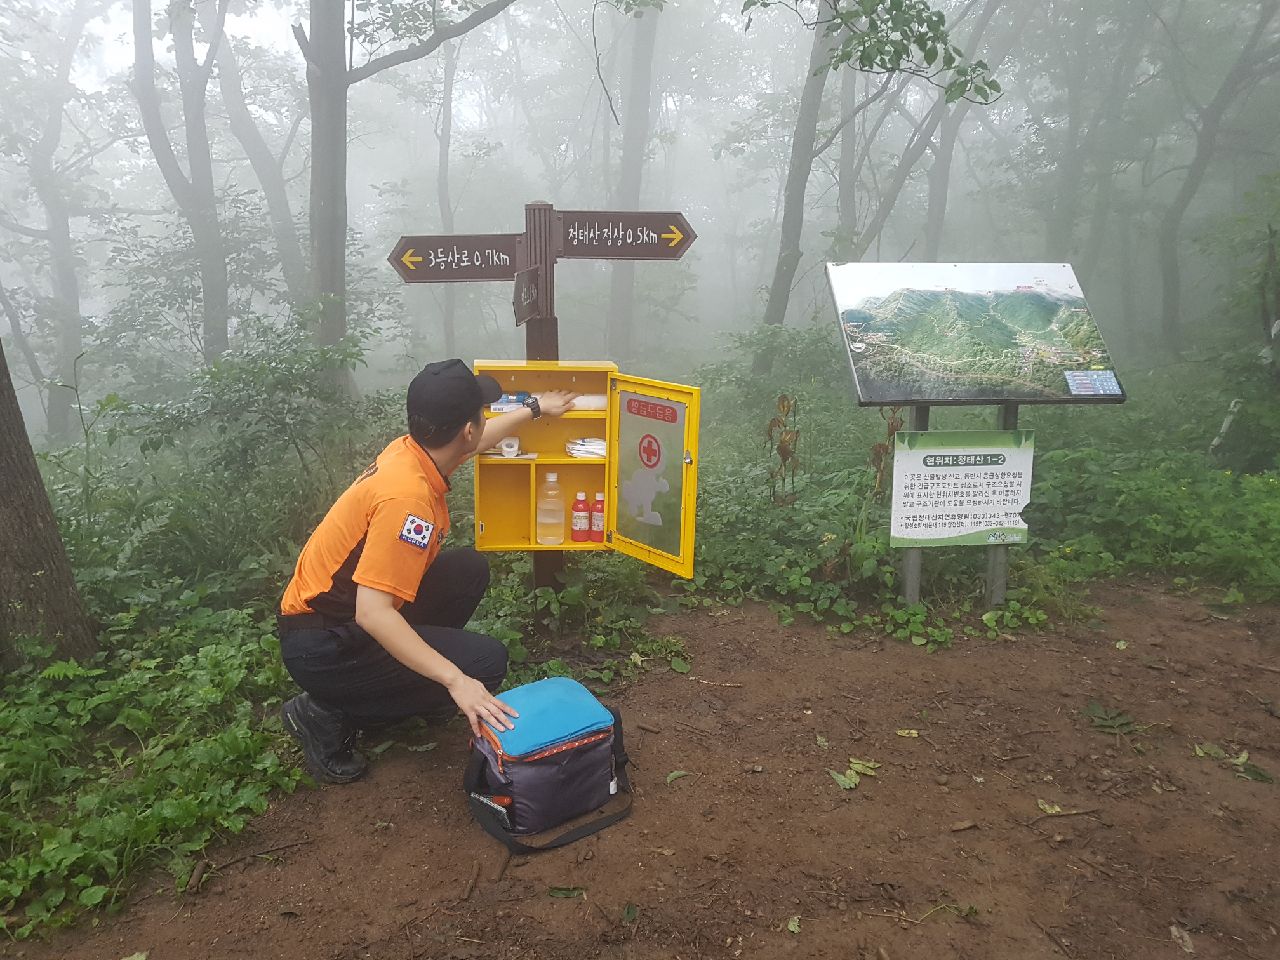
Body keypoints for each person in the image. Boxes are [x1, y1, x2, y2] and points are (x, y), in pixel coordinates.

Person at [276, 359, 578, 783]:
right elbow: (373, 613)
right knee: (486, 663)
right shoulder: (408, 501)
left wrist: (534, 408)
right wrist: (455, 681)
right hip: (324, 646)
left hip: (332, 620)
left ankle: (407, 682)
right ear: (466, 429)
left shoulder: (410, 453)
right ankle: (324, 711)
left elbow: (474, 443)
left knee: (467, 570)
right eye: (480, 413)